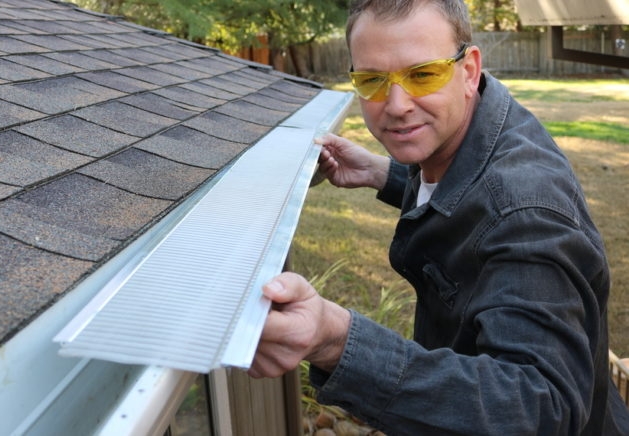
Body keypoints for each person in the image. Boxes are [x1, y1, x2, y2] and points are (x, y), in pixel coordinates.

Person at [248, 0, 629, 434]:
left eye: (422, 74)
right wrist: (385, 174)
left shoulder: (527, 213)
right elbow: (470, 197)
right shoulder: (472, 132)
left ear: (468, 71)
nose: (396, 105)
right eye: (372, 80)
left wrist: (337, 340)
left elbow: (539, 409)